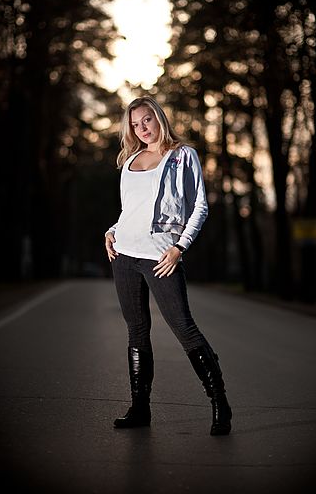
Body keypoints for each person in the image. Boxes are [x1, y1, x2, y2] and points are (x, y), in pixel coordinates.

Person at [104, 95, 232, 436]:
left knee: (184, 328)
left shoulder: (182, 156)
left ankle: (220, 403)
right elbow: (131, 210)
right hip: (124, 255)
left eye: (146, 120)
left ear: (159, 117)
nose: (141, 128)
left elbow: (199, 207)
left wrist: (179, 248)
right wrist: (112, 231)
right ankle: (140, 409)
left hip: (162, 256)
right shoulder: (130, 158)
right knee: (136, 331)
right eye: (134, 124)